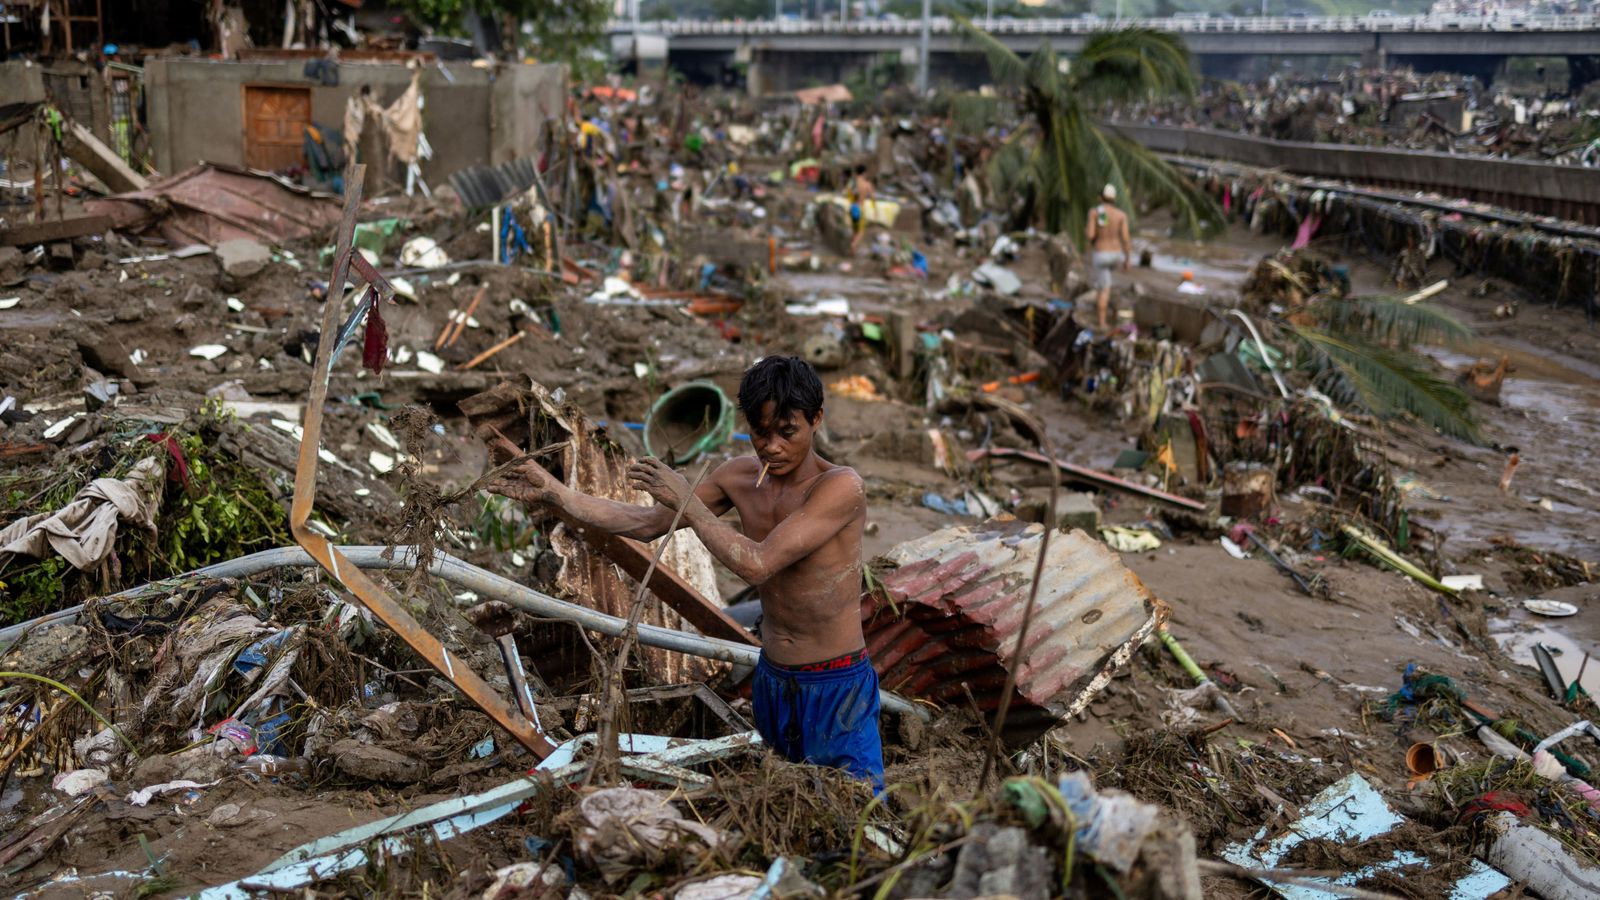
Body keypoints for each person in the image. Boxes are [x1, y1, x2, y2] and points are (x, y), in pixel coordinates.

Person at [487, 357, 883, 792]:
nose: (771, 446)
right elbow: (645, 523)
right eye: (759, 432)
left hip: (834, 680)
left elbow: (757, 562)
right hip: (773, 677)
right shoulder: (739, 476)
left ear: (816, 420)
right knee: (788, 797)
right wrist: (558, 494)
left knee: (858, 807)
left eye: (787, 433)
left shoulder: (840, 487)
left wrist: (687, 502)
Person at [1086, 183, 1132, 330]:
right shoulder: (1121, 215)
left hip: (1101, 253)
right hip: (1116, 254)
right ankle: (1108, 316)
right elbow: (1125, 238)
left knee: (1103, 289)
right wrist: (1127, 259)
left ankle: (1102, 323)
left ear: (1101, 197)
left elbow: (1091, 235)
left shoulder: (1096, 212)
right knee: (1108, 284)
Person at [847, 164, 875, 254]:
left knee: (855, 230)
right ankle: (853, 245)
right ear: (864, 173)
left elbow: (848, 195)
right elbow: (873, 197)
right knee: (861, 232)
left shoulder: (852, 183)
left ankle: (852, 251)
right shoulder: (867, 184)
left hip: (852, 208)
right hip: (860, 208)